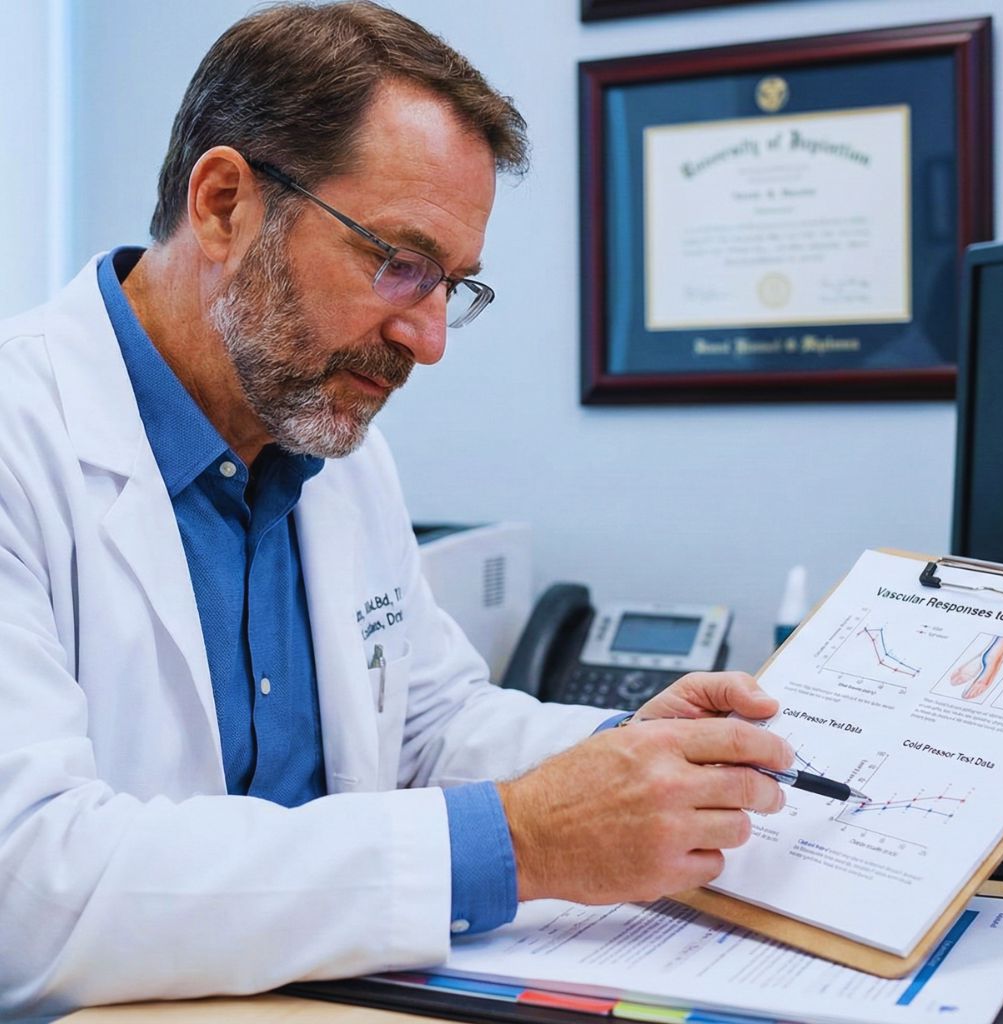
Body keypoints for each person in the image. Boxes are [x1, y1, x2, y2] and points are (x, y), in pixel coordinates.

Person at [0, 2, 792, 1017]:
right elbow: (29, 889)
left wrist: (638, 757)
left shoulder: (331, 441)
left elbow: (430, 729)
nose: (428, 340)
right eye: (398, 262)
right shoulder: (25, 438)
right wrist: (519, 840)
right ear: (224, 203)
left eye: (452, 285)